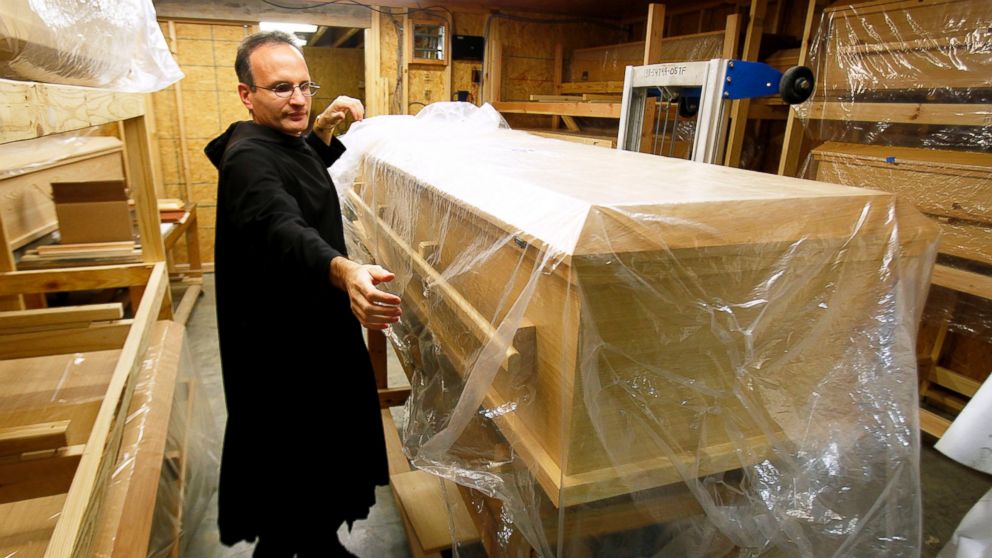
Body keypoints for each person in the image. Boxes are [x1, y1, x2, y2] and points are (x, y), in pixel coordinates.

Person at [204, 31, 402, 557]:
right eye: (279, 88)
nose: (297, 98)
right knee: (299, 457)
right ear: (247, 95)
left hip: (308, 331)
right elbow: (281, 225)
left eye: (304, 86)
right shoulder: (248, 160)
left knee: (316, 458)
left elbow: (295, 170)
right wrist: (345, 270)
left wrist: (318, 132)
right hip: (285, 348)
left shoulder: (275, 140)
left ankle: (317, 541)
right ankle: (303, 544)